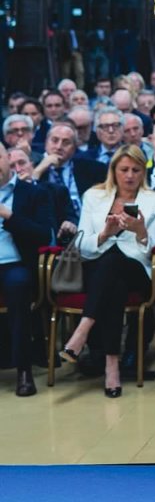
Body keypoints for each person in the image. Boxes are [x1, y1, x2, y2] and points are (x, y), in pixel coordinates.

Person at [60, 146, 155, 397]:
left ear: (144, 172)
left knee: (112, 266)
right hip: (100, 268)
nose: (130, 175)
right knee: (112, 280)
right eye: (124, 170)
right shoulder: (94, 197)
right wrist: (105, 234)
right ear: (113, 171)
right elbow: (84, 247)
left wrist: (140, 230)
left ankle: (83, 329)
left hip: (137, 270)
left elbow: (152, 249)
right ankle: (112, 366)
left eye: (136, 170)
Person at [0, 143, 55, 396]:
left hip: (16, 263)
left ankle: (24, 369)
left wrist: (8, 216)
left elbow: (43, 235)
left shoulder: (33, 193)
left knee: (18, 285)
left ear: (8, 159)